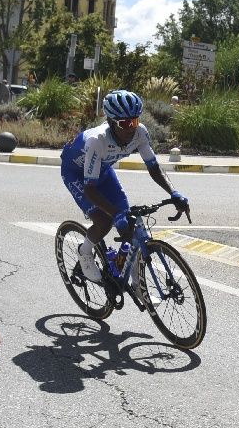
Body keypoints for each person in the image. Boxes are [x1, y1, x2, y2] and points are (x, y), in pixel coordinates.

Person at [60, 90, 188, 286]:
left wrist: (174, 192)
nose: (131, 129)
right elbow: (90, 190)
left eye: (134, 121)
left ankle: (133, 278)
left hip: (101, 171)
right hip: (76, 174)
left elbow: (154, 168)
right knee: (104, 221)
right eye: (125, 124)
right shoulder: (97, 140)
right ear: (111, 122)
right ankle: (84, 252)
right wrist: (114, 214)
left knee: (128, 223)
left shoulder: (140, 133)